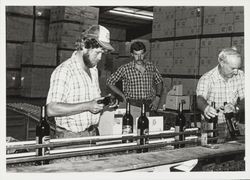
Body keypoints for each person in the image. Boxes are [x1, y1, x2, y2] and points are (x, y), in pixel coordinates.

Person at [46, 25, 115, 139]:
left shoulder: (93, 70)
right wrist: (88, 106)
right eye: (97, 52)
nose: (100, 58)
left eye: (102, 53)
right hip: (70, 138)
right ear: (84, 46)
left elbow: (90, 102)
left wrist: (103, 103)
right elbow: (51, 109)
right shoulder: (65, 71)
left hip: (91, 135)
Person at [106, 41, 163, 131]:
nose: (139, 58)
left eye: (141, 54)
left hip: (149, 105)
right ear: (132, 54)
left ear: (145, 53)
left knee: (147, 132)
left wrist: (157, 98)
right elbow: (110, 82)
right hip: (133, 106)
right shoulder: (125, 68)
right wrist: (122, 95)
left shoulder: (151, 67)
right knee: (133, 132)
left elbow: (159, 81)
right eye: (136, 55)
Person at [196, 47, 244, 140]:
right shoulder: (207, 78)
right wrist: (206, 108)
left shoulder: (240, 75)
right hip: (211, 126)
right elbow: (200, 98)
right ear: (222, 63)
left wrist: (236, 108)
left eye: (238, 68)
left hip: (233, 124)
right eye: (233, 68)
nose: (236, 72)